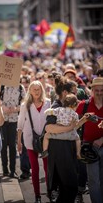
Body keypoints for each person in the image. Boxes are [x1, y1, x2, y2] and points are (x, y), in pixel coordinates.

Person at [45, 75, 89, 203]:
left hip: (67, 150)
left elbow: (72, 128)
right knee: (70, 187)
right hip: (59, 151)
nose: (77, 95)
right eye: (74, 93)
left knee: (68, 189)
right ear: (65, 93)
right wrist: (69, 128)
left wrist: (83, 120)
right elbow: (49, 128)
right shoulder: (56, 107)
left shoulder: (67, 108)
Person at [17, 80, 51, 203]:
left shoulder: (48, 103)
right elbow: (20, 124)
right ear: (29, 91)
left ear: (42, 90)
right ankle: (37, 195)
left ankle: (49, 191)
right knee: (35, 169)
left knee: (48, 168)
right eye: (34, 89)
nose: (36, 92)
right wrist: (19, 142)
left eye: (38, 89)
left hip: (46, 140)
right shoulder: (24, 105)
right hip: (30, 140)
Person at [76, 77, 103, 203]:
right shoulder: (83, 105)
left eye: (102, 90)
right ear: (92, 90)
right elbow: (74, 125)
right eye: (96, 90)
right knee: (93, 180)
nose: (99, 93)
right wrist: (84, 119)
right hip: (89, 149)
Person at [40, 94, 89, 159]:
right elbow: (76, 125)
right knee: (78, 139)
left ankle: (45, 150)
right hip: (70, 135)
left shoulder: (59, 110)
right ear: (74, 105)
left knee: (46, 136)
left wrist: (46, 112)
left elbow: (49, 112)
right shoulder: (75, 114)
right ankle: (78, 153)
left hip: (58, 134)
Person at [0, 84, 26, 178]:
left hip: (14, 120)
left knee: (12, 145)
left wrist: (16, 108)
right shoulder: (0, 86)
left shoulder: (20, 87)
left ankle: (13, 170)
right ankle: (5, 170)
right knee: (3, 145)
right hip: (2, 119)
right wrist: (2, 107)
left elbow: (25, 102)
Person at [19, 75, 31, 180]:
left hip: (32, 126)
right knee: (23, 150)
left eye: (26, 86)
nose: (24, 88)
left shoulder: (33, 96)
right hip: (21, 125)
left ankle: (29, 167)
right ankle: (25, 171)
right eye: (23, 85)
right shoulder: (18, 93)